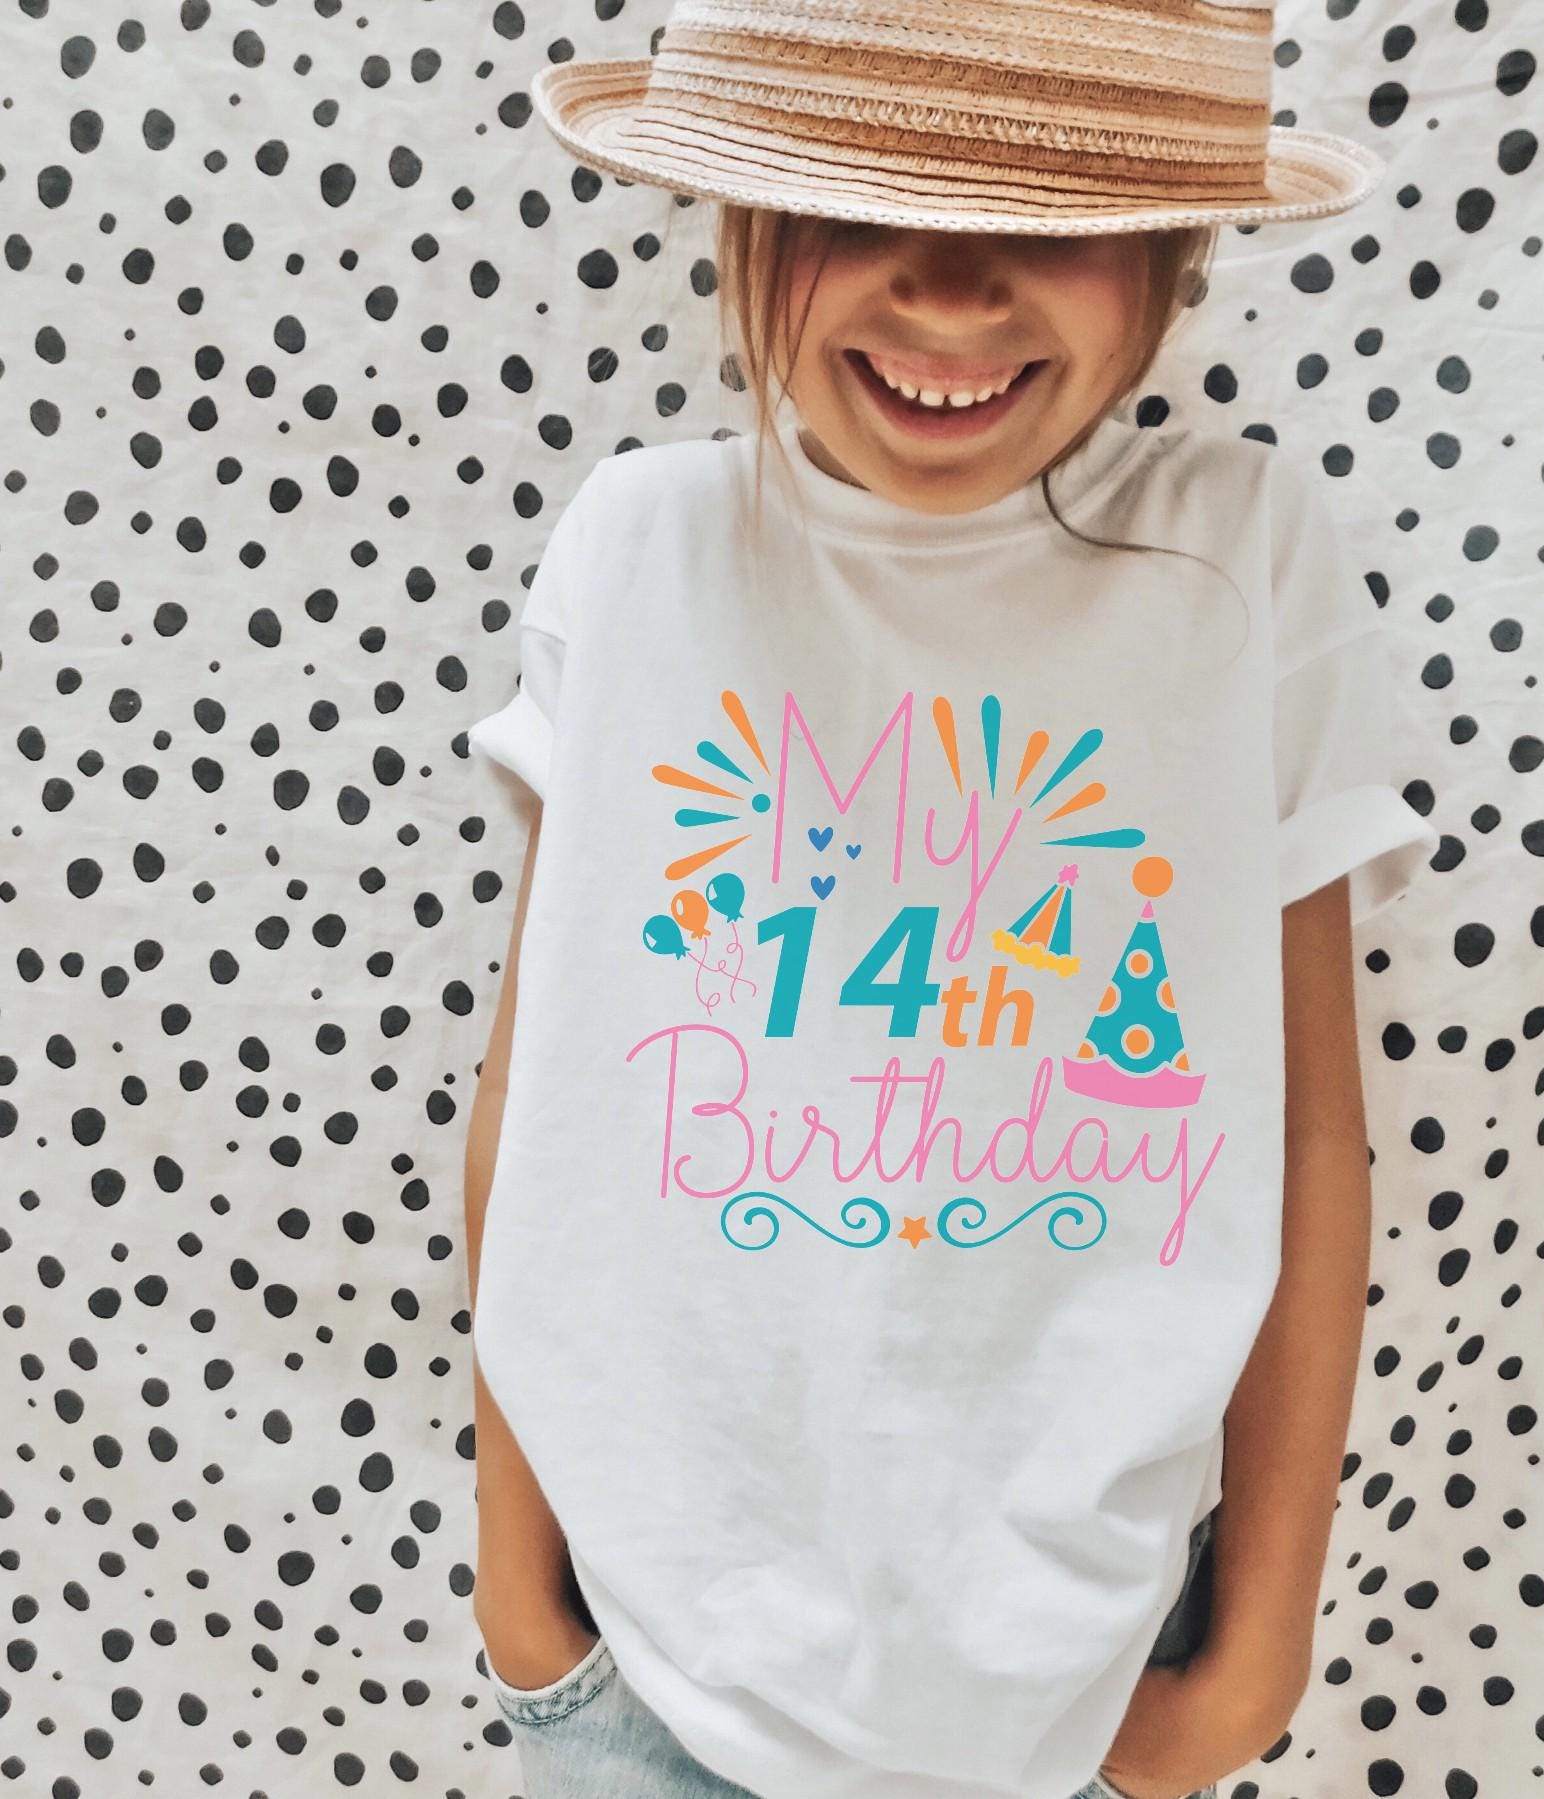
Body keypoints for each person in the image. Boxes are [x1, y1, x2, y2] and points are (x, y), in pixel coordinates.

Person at [461, 6, 1440, 1798]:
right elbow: (546, 1084)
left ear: (1176, 251)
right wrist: (523, 1596)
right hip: (643, 1670)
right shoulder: (637, 546)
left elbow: (1310, 1130)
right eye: (857, 204)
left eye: (1050, 219)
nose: (951, 291)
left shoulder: (1239, 560)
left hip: (1087, 1678)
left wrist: (1254, 1657)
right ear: (744, 214)